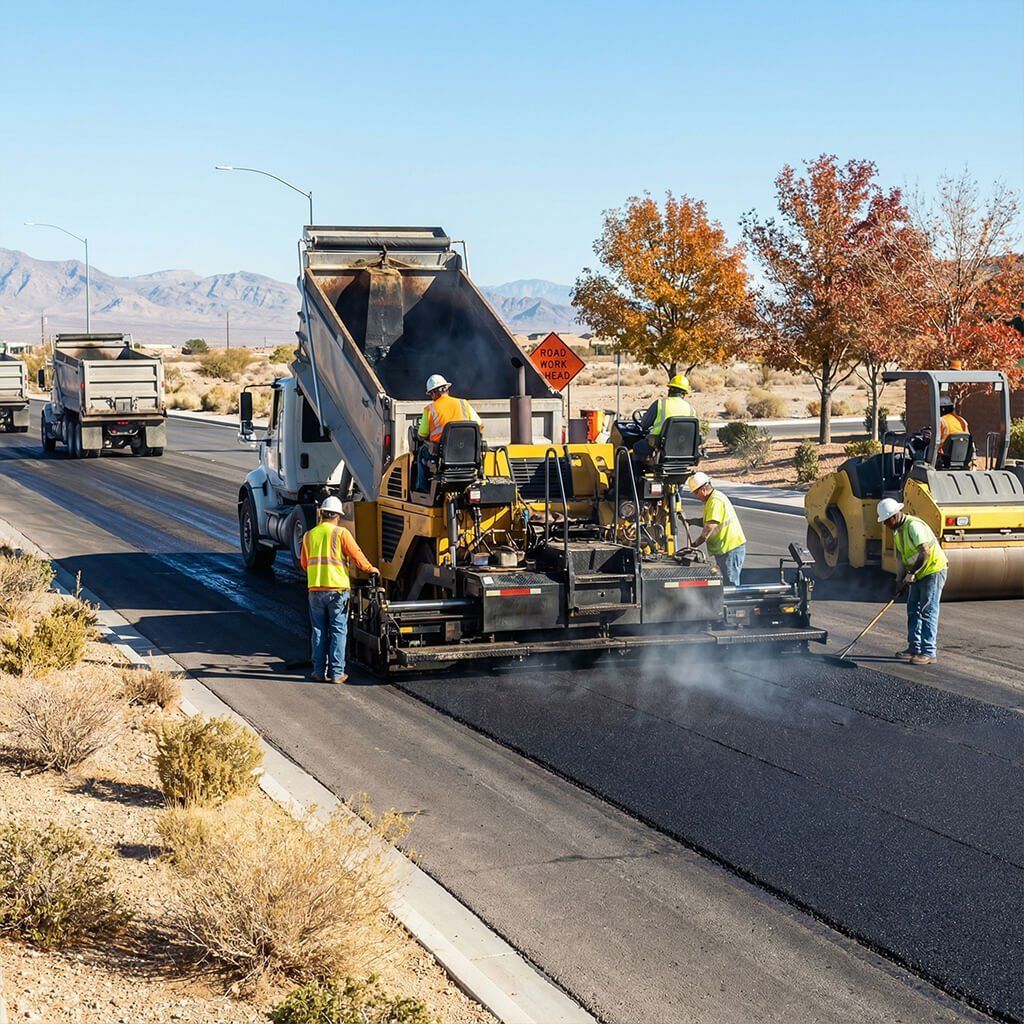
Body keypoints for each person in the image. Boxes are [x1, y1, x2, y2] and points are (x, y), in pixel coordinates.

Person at [300, 496, 378, 684]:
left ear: (321, 513)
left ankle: (318, 671)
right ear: (338, 516)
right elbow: (356, 555)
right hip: (337, 590)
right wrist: (371, 569)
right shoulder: (341, 533)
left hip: (315, 589)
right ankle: (336, 673)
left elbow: (304, 564)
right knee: (338, 630)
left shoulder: (308, 535)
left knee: (318, 630)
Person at [876, 497, 948, 666]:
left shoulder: (913, 526)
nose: (885, 525)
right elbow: (901, 557)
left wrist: (912, 573)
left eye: (886, 521)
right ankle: (914, 648)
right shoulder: (897, 531)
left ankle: (929, 652)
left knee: (927, 611)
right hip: (917, 573)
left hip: (933, 571)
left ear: (894, 516)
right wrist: (899, 579)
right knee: (913, 609)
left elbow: (925, 553)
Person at [415, 373, 482, 491]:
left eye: (431, 394)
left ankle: (423, 489)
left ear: (434, 393)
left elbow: (422, 434)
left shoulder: (430, 409)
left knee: (421, 453)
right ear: (446, 389)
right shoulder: (463, 403)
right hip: (467, 454)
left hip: (442, 456)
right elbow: (479, 425)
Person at [687, 471, 746, 585]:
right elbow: (708, 521)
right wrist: (692, 521)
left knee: (730, 584)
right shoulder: (712, 499)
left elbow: (709, 527)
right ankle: (726, 602)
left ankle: (732, 603)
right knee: (725, 583)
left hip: (730, 548)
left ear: (703, 489)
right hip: (725, 548)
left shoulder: (715, 501)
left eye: (695, 493)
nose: (696, 496)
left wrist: (694, 545)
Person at [632, 373, 696, 464]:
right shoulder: (691, 409)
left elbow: (644, 424)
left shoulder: (660, 404)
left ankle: (637, 476)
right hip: (683, 449)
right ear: (684, 394)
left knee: (637, 447)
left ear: (670, 390)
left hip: (660, 447)